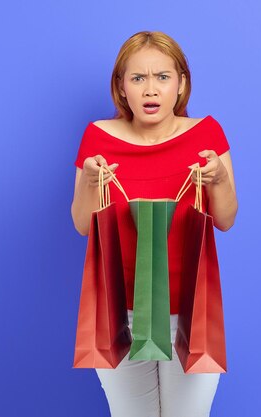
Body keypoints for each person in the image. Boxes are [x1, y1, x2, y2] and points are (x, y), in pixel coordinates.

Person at [71, 30, 238, 417]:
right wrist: (91, 184)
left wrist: (219, 180)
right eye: (138, 78)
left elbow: (226, 220)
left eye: (162, 77)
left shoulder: (206, 135)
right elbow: (82, 224)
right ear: (121, 86)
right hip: (119, 314)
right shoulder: (98, 137)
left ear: (181, 83)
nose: (151, 90)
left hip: (191, 311)